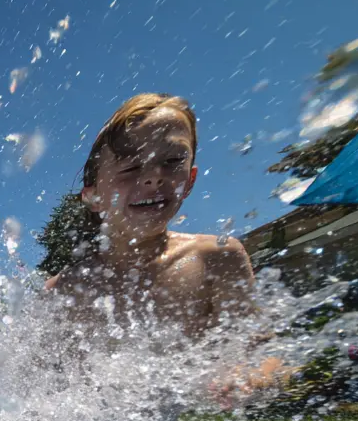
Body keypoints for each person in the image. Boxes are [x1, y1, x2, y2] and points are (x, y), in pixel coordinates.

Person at [44, 93, 255, 339]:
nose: (154, 175)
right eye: (130, 167)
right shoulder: (63, 289)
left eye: (173, 160)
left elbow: (260, 353)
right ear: (94, 197)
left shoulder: (217, 258)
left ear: (189, 181)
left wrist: (247, 374)